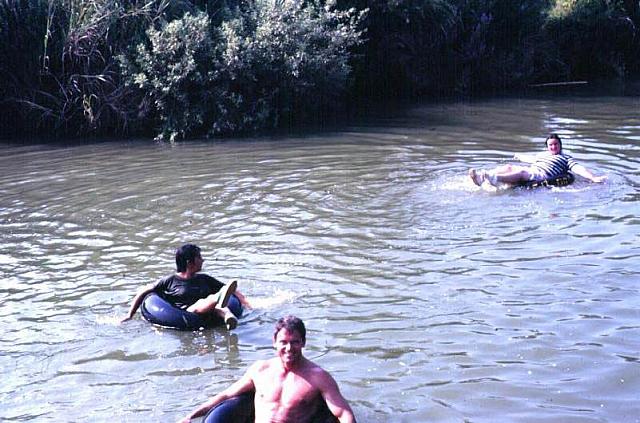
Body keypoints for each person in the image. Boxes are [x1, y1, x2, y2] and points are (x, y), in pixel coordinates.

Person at [178, 315, 356, 423]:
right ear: (274, 342)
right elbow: (225, 396)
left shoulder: (319, 377)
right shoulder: (260, 370)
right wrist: (190, 416)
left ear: (303, 342)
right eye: (283, 342)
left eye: (295, 342)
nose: (289, 348)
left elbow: (343, 413)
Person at [120, 243, 251, 330]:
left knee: (214, 304)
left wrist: (246, 304)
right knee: (203, 303)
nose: (203, 260)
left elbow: (232, 290)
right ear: (190, 263)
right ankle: (219, 300)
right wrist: (129, 315)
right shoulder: (170, 281)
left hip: (211, 311)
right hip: (188, 314)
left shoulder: (204, 278)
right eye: (199, 257)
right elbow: (144, 292)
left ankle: (227, 315)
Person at [469, 134, 607, 187]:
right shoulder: (542, 155)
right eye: (550, 145)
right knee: (509, 166)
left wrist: (593, 178)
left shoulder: (565, 158)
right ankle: (481, 179)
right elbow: (531, 159)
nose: (553, 147)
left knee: (522, 172)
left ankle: (493, 178)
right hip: (533, 169)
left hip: (543, 175)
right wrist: (518, 155)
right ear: (547, 147)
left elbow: (578, 169)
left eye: (556, 144)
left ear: (560, 145)